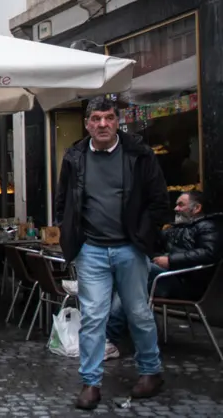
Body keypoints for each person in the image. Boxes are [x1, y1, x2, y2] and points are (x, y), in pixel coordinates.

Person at [56, 96, 169, 410]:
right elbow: (63, 201)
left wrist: (142, 235)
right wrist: (67, 233)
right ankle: (90, 383)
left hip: (130, 249)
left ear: (117, 121)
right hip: (91, 250)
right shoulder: (75, 156)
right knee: (93, 318)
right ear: (87, 124)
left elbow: (159, 201)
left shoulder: (139, 154)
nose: (102, 124)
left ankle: (151, 372)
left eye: (108, 118)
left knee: (138, 313)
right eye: (96, 119)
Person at [105, 190, 221, 357]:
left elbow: (209, 254)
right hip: (169, 276)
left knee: (131, 276)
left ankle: (110, 336)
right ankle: (118, 335)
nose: (176, 208)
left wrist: (171, 260)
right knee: (127, 275)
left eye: (181, 204)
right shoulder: (177, 228)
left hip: (187, 283)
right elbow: (154, 243)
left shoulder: (209, 226)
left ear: (196, 208)